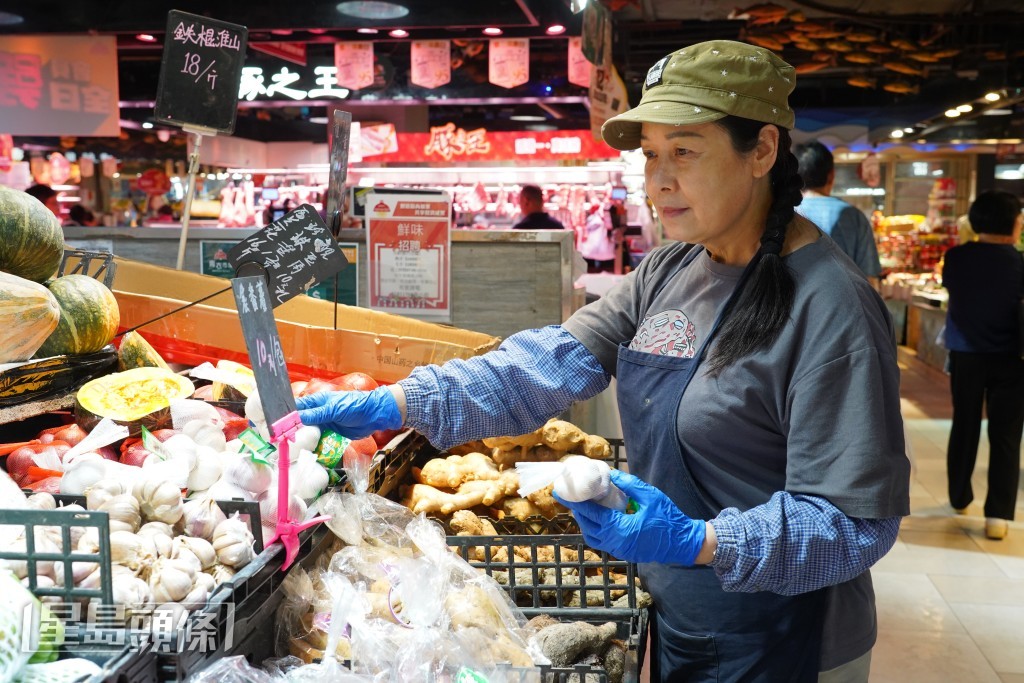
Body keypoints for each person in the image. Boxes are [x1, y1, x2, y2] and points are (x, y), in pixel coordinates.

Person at [296, 40, 909, 682]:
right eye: (651, 155)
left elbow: (853, 523)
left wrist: (700, 540)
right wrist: (399, 401)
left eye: (685, 151)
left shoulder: (831, 306)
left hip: (789, 639)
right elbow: (545, 365)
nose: (659, 180)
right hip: (683, 616)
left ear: (761, 151)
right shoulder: (672, 270)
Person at [941, 190, 1024, 541]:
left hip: (966, 354)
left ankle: (960, 497)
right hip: (1013, 358)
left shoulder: (956, 257)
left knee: (964, 424)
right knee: (1006, 435)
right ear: (1013, 223)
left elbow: (953, 291)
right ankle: (998, 516)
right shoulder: (1019, 263)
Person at [794, 141, 882, 284]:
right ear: (831, 175)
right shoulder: (854, 217)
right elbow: (869, 279)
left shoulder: (785, 214)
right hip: (844, 297)